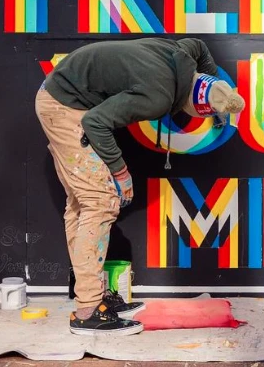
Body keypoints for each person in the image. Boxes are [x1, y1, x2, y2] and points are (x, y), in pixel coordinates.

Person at [35, 37, 245, 335]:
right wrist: (120, 173)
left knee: (81, 203)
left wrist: (209, 79)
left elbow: (200, 46)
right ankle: (88, 310)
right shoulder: (158, 97)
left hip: (63, 92)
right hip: (64, 108)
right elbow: (96, 122)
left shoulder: (182, 53)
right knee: (99, 201)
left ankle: (91, 294)